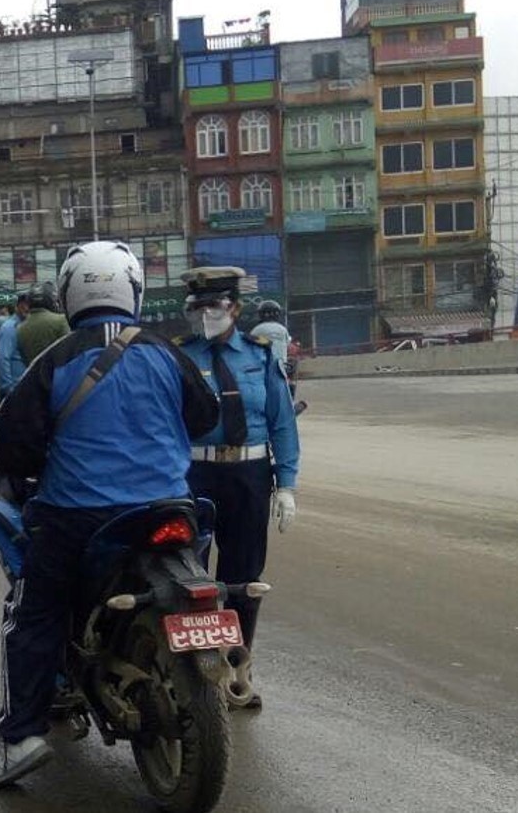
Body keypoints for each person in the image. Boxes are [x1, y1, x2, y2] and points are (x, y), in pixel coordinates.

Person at [0, 241, 219, 787]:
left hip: (77, 516)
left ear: (69, 295)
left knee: (33, 612)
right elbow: (205, 419)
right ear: (132, 291)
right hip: (168, 507)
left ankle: (19, 737)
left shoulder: (57, 359)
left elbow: (14, 445)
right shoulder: (167, 352)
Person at [177, 266, 300, 708]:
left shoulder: (260, 355)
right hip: (192, 475)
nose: (207, 313)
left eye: (216, 305)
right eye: (198, 306)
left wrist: (285, 485)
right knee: (187, 575)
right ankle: (190, 673)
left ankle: (236, 669)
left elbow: (282, 424)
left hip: (249, 476)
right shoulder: (179, 358)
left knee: (244, 580)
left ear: (235, 309)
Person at [15, 280, 69, 365]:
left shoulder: (20, 328)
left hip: (35, 376)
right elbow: (69, 352)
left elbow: (25, 360)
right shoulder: (61, 320)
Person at [0, 292, 29, 401]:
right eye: (23, 304)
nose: (26, 307)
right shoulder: (9, 328)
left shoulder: (27, 325)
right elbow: (2, 359)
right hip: (15, 391)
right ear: (17, 306)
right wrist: (9, 389)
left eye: (29, 304)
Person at [250, 300, 291, 375]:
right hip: (281, 368)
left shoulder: (256, 330)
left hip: (263, 368)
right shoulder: (282, 329)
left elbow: (251, 347)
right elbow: (287, 344)